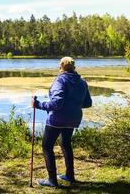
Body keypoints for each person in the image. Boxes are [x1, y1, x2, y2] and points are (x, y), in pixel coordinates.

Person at [31, 56, 92, 187]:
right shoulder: (82, 82)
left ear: (60, 67)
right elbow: (88, 103)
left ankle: (52, 180)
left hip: (57, 119)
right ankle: (70, 176)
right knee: (65, 143)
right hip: (73, 118)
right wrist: (73, 106)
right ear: (74, 67)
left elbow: (57, 104)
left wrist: (38, 104)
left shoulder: (60, 81)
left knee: (47, 146)